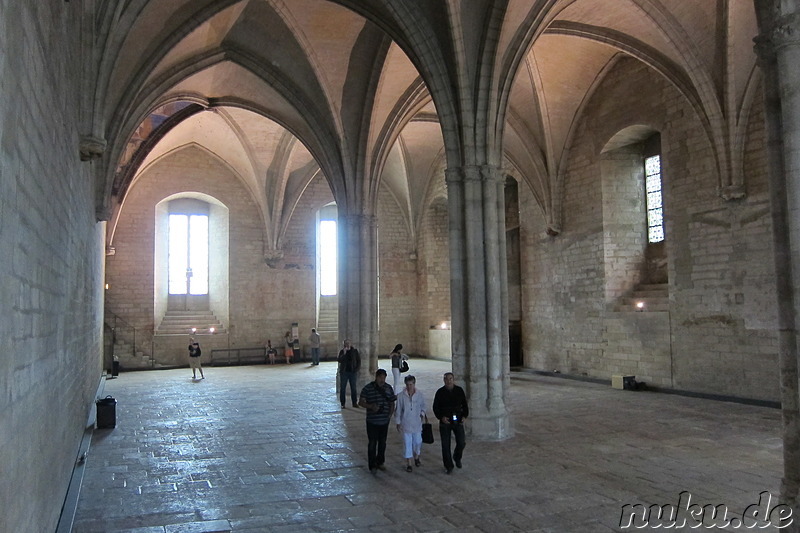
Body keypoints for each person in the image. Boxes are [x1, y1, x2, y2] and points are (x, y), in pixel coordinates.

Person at [359, 369, 396, 473]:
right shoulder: (368, 388)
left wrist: (389, 415)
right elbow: (361, 402)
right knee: (372, 443)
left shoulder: (388, 388)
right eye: (380, 377)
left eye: (384, 377)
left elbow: (392, 402)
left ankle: (380, 462)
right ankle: (372, 464)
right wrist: (370, 406)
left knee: (382, 443)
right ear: (376, 377)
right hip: (372, 421)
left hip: (384, 421)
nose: (382, 380)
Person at [432, 372, 468, 474]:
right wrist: (441, 417)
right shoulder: (440, 392)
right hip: (445, 421)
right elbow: (435, 407)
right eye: (446, 379)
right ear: (444, 380)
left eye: (450, 379)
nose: (448, 381)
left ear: (453, 379)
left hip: (458, 420)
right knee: (445, 445)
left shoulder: (459, 391)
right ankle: (448, 466)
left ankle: (457, 457)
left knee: (461, 442)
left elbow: (465, 405)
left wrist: (464, 416)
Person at [395, 374, 426, 472]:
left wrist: (422, 413)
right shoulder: (401, 396)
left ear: (414, 384)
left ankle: (417, 456)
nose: (409, 386)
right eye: (408, 384)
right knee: (407, 443)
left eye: (411, 384)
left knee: (418, 441)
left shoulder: (419, 395)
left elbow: (423, 406)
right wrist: (398, 422)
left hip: (417, 423)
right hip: (406, 423)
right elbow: (398, 410)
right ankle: (409, 463)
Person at [337, 339, 361, 408]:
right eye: (346, 343)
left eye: (348, 343)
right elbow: (339, 360)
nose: (347, 344)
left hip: (352, 372)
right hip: (344, 372)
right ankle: (343, 403)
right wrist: (344, 354)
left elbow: (358, 361)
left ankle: (354, 402)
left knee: (353, 388)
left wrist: (356, 369)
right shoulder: (342, 351)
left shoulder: (355, 351)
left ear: (351, 343)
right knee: (343, 388)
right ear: (344, 344)